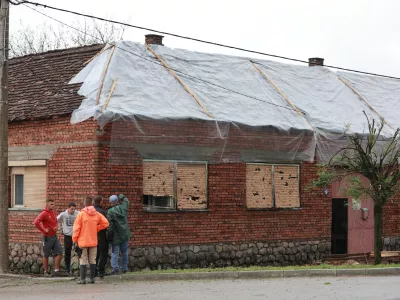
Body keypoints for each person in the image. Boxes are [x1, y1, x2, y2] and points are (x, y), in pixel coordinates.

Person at [73, 197, 109, 284]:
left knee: (83, 260)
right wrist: (96, 228)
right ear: (92, 203)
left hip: (83, 241)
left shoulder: (81, 214)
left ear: (84, 203)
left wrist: (74, 240)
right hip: (93, 241)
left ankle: (82, 279)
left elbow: (76, 228)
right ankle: (92, 278)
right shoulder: (97, 214)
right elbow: (106, 223)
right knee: (93, 260)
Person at [33, 199, 64, 277]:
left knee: (59, 252)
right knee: (46, 255)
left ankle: (56, 271)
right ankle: (46, 272)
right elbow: (36, 222)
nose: (53, 206)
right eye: (51, 204)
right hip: (46, 237)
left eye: (53, 204)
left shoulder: (53, 212)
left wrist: (56, 227)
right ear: (47, 205)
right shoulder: (44, 213)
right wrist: (43, 230)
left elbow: (56, 221)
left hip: (54, 236)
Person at [107, 193, 131, 275]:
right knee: (124, 252)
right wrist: (120, 195)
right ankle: (124, 268)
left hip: (116, 236)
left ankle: (115, 268)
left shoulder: (110, 211)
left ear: (111, 202)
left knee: (115, 253)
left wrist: (108, 236)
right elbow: (126, 200)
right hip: (124, 234)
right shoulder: (124, 208)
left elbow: (110, 226)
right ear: (117, 201)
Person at [57, 202, 79, 275]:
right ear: (68, 208)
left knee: (79, 250)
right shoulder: (64, 214)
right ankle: (67, 268)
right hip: (67, 236)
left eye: (74, 209)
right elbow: (56, 219)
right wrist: (59, 228)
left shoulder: (78, 213)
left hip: (76, 236)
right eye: (71, 209)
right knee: (67, 252)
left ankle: (79, 267)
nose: (73, 210)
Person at [93, 195, 109, 278]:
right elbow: (106, 224)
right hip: (101, 236)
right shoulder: (102, 212)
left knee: (95, 255)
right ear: (100, 202)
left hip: (92, 236)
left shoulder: (90, 211)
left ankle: (94, 271)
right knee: (103, 254)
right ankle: (101, 270)